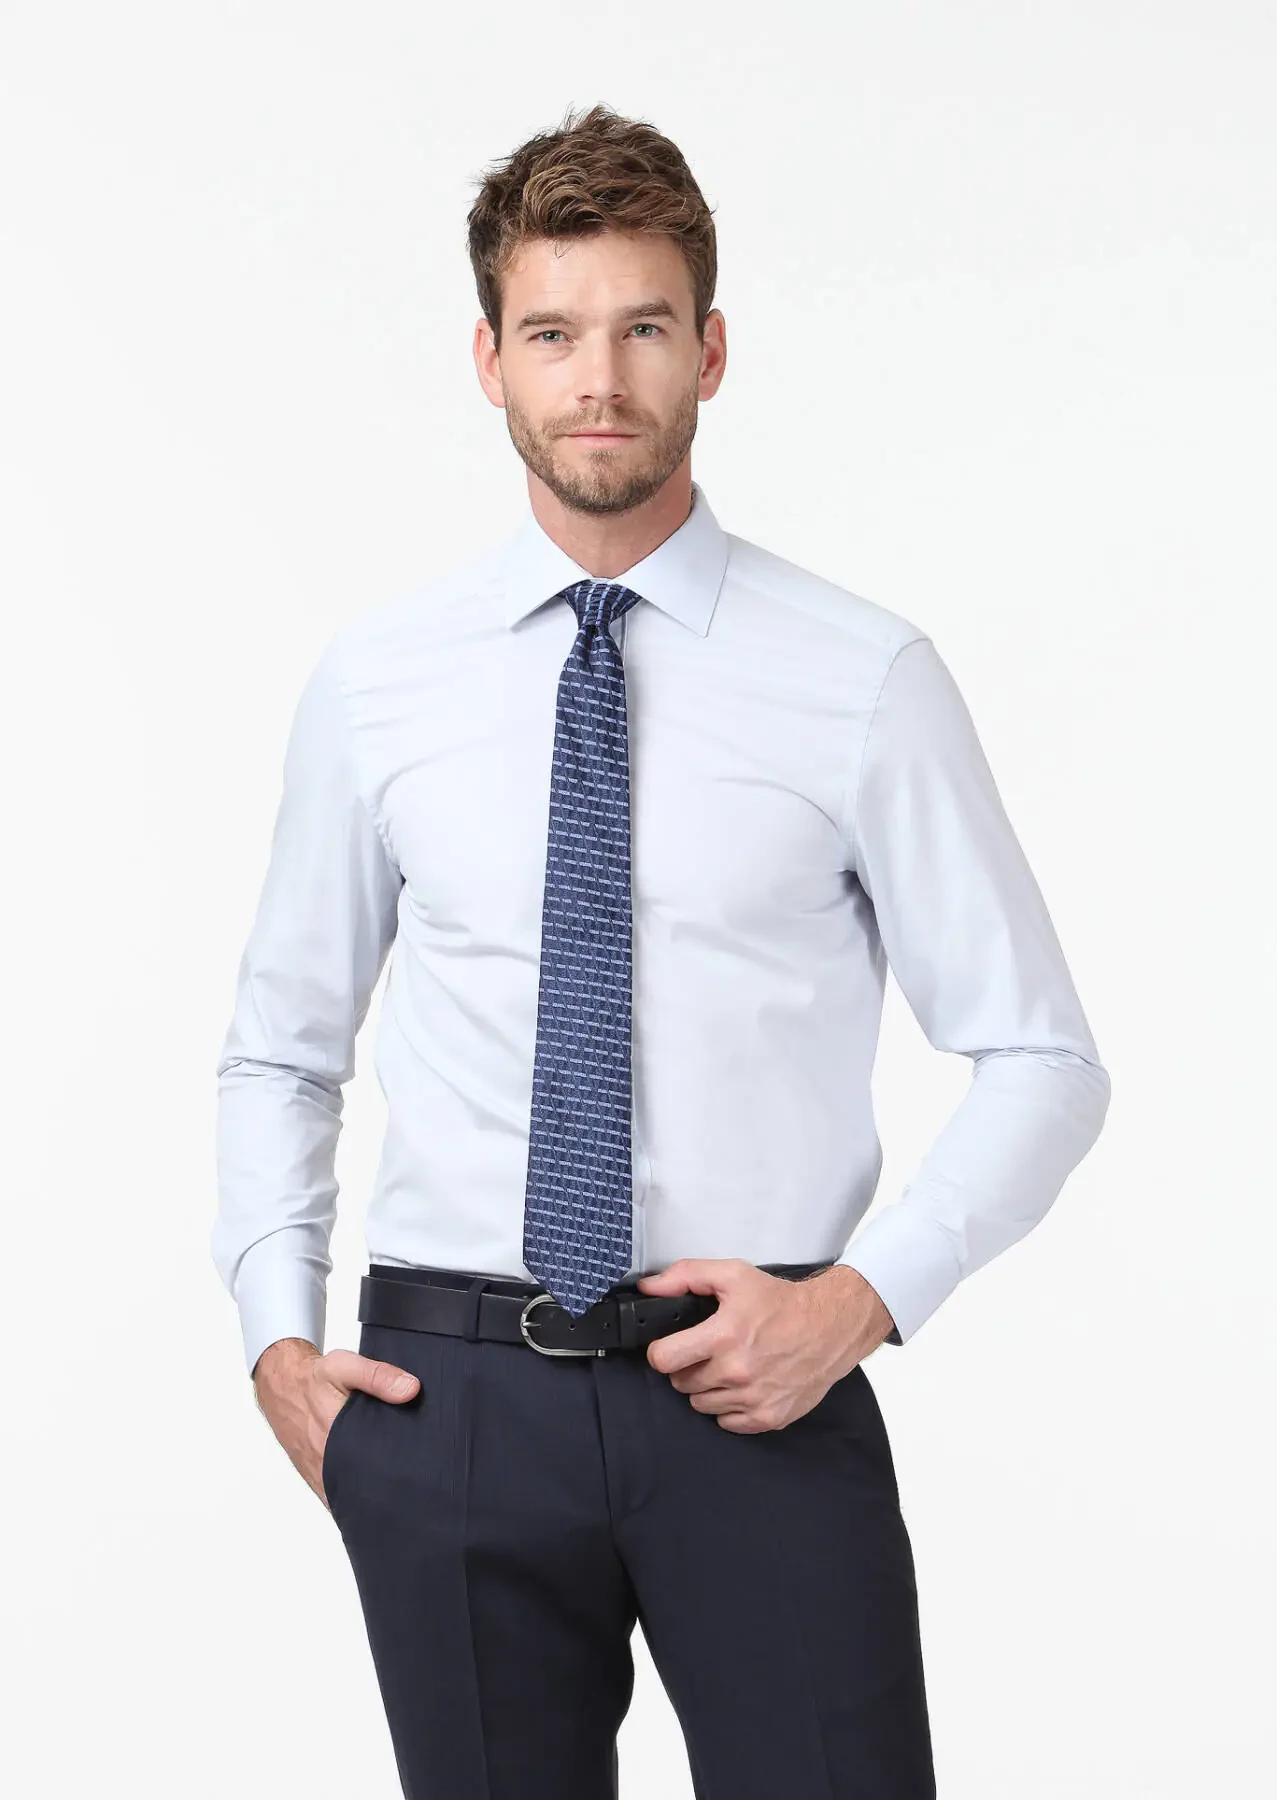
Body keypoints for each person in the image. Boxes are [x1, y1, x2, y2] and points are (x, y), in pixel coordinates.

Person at [212, 100, 1110, 1800]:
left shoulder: (860, 676)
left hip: (756, 1389)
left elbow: (1044, 1058)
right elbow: (282, 1043)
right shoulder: (379, 685)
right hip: (449, 1406)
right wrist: (276, 1334)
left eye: (641, 328)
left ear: (711, 350)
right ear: (489, 359)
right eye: (553, 333)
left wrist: (859, 1304)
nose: (600, 381)